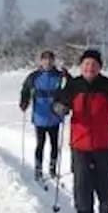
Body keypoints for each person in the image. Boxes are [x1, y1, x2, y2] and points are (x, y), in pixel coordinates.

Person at [51, 48, 108, 213]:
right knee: (82, 182)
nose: (90, 68)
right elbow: (58, 104)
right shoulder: (73, 85)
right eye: (86, 64)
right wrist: (60, 108)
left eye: (94, 65)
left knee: (106, 180)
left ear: (100, 67)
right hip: (80, 143)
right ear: (81, 66)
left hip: (103, 142)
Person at [19, 49, 66, 181]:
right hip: (40, 117)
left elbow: (69, 89)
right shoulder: (34, 76)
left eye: (50, 59)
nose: (48, 62)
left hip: (55, 116)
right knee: (40, 144)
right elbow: (25, 89)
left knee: (54, 144)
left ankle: (52, 169)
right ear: (41, 61)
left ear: (53, 61)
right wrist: (24, 102)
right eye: (45, 59)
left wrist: (65, 104)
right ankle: (38, 170)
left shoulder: (60, 75)